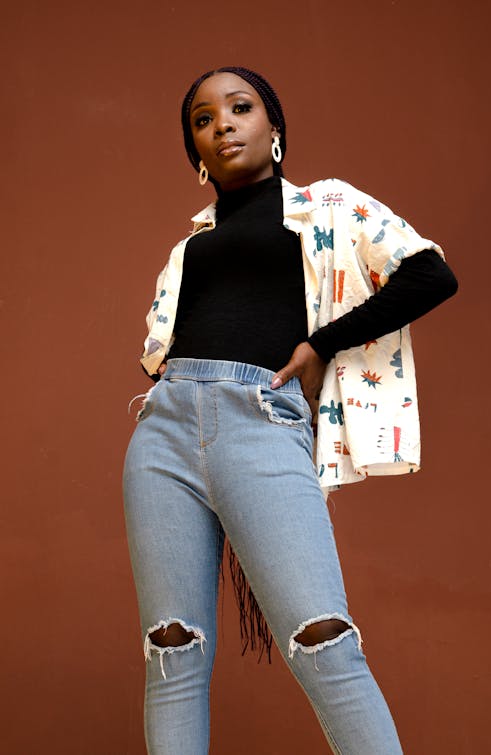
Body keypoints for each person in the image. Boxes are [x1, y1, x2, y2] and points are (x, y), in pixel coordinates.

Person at [123, 66, 457, 755]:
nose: (223, 125)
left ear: (274, 129)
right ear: (196, 153)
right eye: (204, 120)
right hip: (162, 433)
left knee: (323, 640)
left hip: (261, 421)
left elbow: (430, 272)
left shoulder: (327, 206)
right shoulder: (185, 251)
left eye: (240, 108)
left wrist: (319, 345)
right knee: (171, 654)